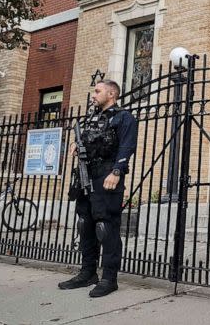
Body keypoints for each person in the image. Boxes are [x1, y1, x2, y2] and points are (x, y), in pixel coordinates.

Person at [58, 79, 137, 297]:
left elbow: (127, 146)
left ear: (111, 94)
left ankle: (109, 279)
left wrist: (117, 172)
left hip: (107, 174)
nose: (94, 95)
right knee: (85, 223)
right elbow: (86, 141)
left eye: (98, 91)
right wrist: (76, 144)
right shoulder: (90, 118)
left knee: (106, 225)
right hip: (86, 175)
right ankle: (87, 273)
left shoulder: (124, 117)